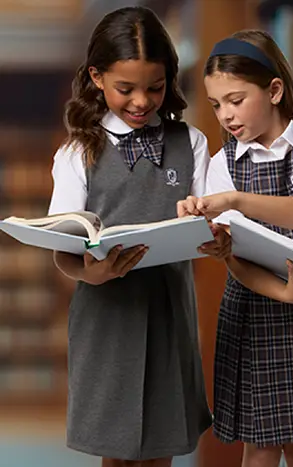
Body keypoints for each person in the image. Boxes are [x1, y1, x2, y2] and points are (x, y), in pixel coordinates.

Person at [178, 30, 293, 467]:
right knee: (258, 448)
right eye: (216, 104)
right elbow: (233, 258)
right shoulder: (222, 162)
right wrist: (282, 291)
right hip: (254, 308)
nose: (225, 115)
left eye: (236, 100)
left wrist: (235, 200)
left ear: (274, 89)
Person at [47, 7, 212, 467]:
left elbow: (214, 219)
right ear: (97, 78)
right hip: (106, 314)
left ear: (169, 79)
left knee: (162, 445)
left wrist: (206, 219)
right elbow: (63, 247)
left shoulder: (192, 142)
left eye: (155, 88)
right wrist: (91, 273)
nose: (142, 101)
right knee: (115, 448)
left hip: (169, 310)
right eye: (126, 89)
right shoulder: (78, 150)